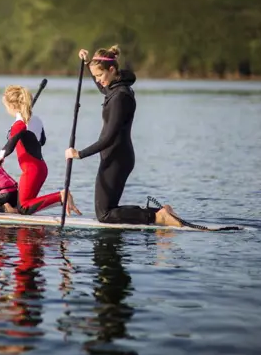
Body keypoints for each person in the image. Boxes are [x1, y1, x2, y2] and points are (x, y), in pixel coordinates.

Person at [64, 46, 182, 227]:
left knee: (104, 214)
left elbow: (109, 138)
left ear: (111, 70)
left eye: (99, 75)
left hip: (118, 158)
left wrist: (79, 154)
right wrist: (86, 63)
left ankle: (157, 217)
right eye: (94, 76)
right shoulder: (114, 88)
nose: (98, 80)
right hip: (114, 157)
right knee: (108, 209)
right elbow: (103, 87)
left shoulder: (121, 96)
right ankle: (158, 213)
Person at [0, 85, 81, 216]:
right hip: (41, 168)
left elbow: (10, 145)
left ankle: (60, 196)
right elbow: (42, 141)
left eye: (6, 106)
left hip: (31, 170)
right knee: (25, 205)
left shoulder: (19, 123)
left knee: (23, 208)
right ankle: (59, 198)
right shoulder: (36, 120)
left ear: (12, 106)